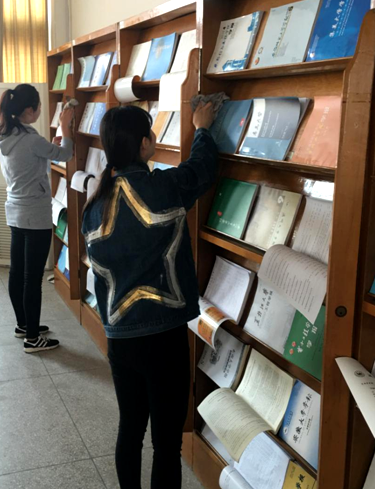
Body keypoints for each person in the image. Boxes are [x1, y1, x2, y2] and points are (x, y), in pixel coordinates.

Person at [82, 103, 217, 488]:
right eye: (151, 133)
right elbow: (201, 169)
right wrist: (202, 129)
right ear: (144, 144)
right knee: (166, 444)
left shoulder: (94, 206)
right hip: (164, 337)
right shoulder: (164, 188)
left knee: (130, 429)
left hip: (120, 337)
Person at [0, 83, 74, 353]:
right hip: (35, 215)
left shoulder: (7, 134)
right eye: (39, 106)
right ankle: (32, 338)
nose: (40, 110)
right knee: (32, 279)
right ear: (29, 110)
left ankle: (23, 325)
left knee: (17, 273)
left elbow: (29, 161)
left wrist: (48, 147)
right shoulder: (30, 139)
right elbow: (66, 155)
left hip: (16, 212)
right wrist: (65, 128)